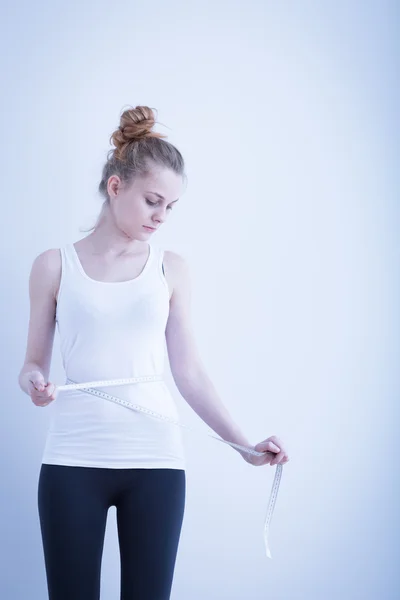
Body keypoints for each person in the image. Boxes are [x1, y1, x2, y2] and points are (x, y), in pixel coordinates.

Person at [18, 105, 289, 600]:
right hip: (72, 458)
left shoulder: (172, 269)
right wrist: (34, 383)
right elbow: (32, 362)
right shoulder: (54, 265)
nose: (161, 216)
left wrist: (244, 447)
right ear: (116, 187)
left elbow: (188, 372)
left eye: (171, 206)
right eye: (152, 201)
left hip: (156, 461)